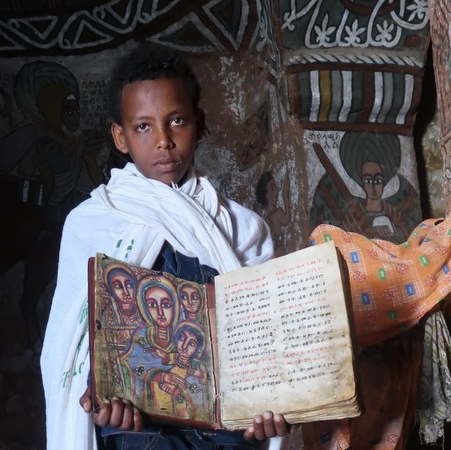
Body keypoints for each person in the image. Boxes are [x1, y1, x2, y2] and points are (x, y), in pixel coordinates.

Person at [40, 44, 289, 450]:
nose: (163, 141)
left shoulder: (243, 228)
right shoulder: (92, 223)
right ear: (120, 137)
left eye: (176, 121)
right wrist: (101, 399)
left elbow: (265, 346)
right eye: (143, 127)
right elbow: (70, 349)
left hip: (227, 433)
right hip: (139, 433)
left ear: (200, 123)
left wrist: (266, 409)